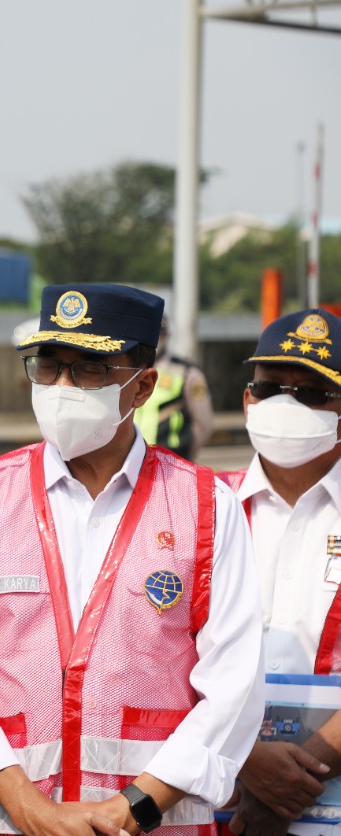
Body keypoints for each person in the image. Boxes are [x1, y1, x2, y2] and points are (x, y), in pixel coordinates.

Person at [0, 283, 264, 836]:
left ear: (142, 385)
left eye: (92, 369)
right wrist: (28, 807)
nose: (63, 387)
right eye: (48, 366)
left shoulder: (206, 506)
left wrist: (133, 808)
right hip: (5, 825)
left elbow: (235, 685)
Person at [217, 308, 341, 836]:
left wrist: (294, 780)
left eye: (312, 393)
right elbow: (155, 657)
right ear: (248, 400)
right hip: (215, 798)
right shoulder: (198, 508)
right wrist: (249, 763)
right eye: (271, 388)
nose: (286, 404)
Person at [135, 316, 215, 461]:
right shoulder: (129, 368)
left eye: (160, 332)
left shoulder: (186, 372)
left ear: (167, 334)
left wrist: (183, 455)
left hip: (171, 459)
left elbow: (204, 424)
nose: (155, 338)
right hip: (134, 457)